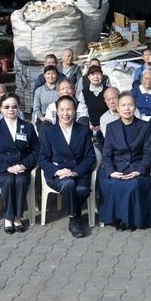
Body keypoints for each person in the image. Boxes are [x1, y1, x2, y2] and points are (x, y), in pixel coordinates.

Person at [99, 91, 151, 231]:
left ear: (135, 107)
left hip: (137, 167)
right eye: (123, 105)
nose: (127, 109)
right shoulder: (111, 127)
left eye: (130, 105)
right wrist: (112, 171)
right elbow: (107, 155)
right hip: (117, 166)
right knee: (113, 183)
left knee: (133, 185)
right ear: (118, 108)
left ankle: (132, 219)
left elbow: (148, 153)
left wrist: (139, 171)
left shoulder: (144, 126)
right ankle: (118, 219)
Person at [38, 95, 96, 238]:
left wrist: (75, 172)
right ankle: (74, 219)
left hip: (78, 171)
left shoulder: (83, 131)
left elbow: (90, 157)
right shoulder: (49, 132)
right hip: (57, 173)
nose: (65, 113)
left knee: (82, 190)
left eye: (69, 109)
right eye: (62, 110)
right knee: (68, 183)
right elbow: (43, 159)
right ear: (56, 112)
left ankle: (73, 211)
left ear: (75, 111)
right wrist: (58, 171)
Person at [0, 93, 39, 233]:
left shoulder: (27, 127)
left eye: (14, 106)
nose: (11, 110)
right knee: (8, 181)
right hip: (1, 169)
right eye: (7, 107)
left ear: (19, 108)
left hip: (22, 167)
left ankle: (17, 217)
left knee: (20, 181)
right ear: (0, 108)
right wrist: (7, 167)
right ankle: (9, 217)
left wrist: (22, 165)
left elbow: (36, 150)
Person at [75, 65, 108, 138]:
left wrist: (103, 125)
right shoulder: (84, 93)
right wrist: (88, 123)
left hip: (106, 125)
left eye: (98, 74)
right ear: (88, 77)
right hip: (89, 125)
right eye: (93, 75)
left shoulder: (108, 91)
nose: (96, 77)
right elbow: (81, 111)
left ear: (102, 76)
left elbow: (112, 110)